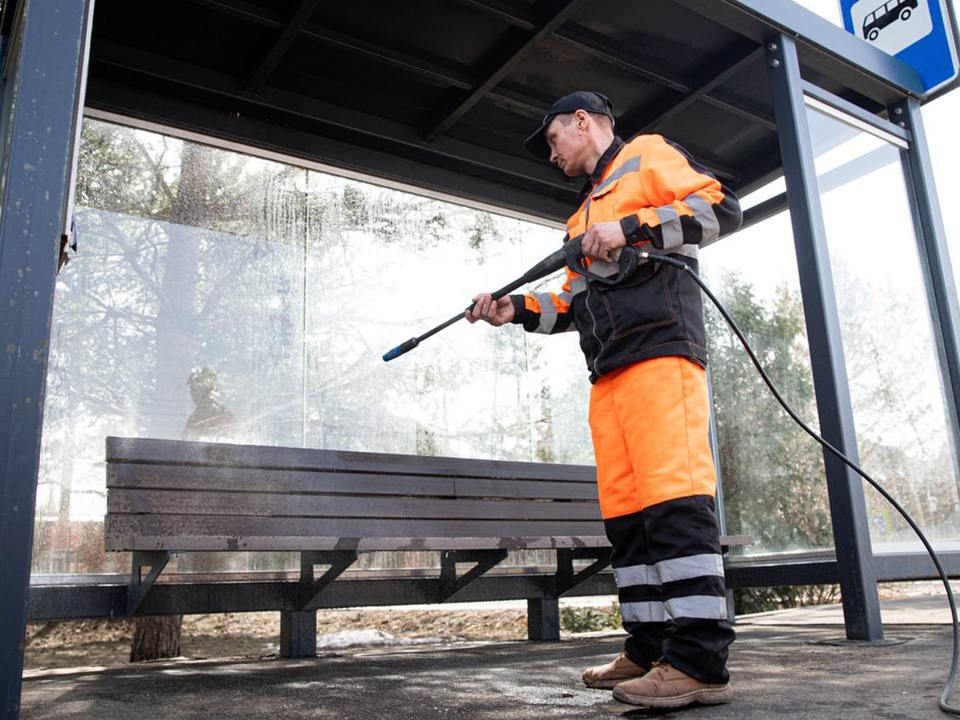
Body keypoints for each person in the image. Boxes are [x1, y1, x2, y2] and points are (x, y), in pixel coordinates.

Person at [466, 90, 741, 709]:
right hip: (609, 374)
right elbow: (570, 301)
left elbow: (722, 206)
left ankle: (699, 662)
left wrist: (631, 226)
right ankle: (648, 650)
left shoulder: (646, 157)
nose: (552, 153)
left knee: (673, 502)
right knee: (629, 518)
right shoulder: (579, 218)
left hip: (661, 355)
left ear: (583, 123)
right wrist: (516, 310)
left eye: (554, 139)